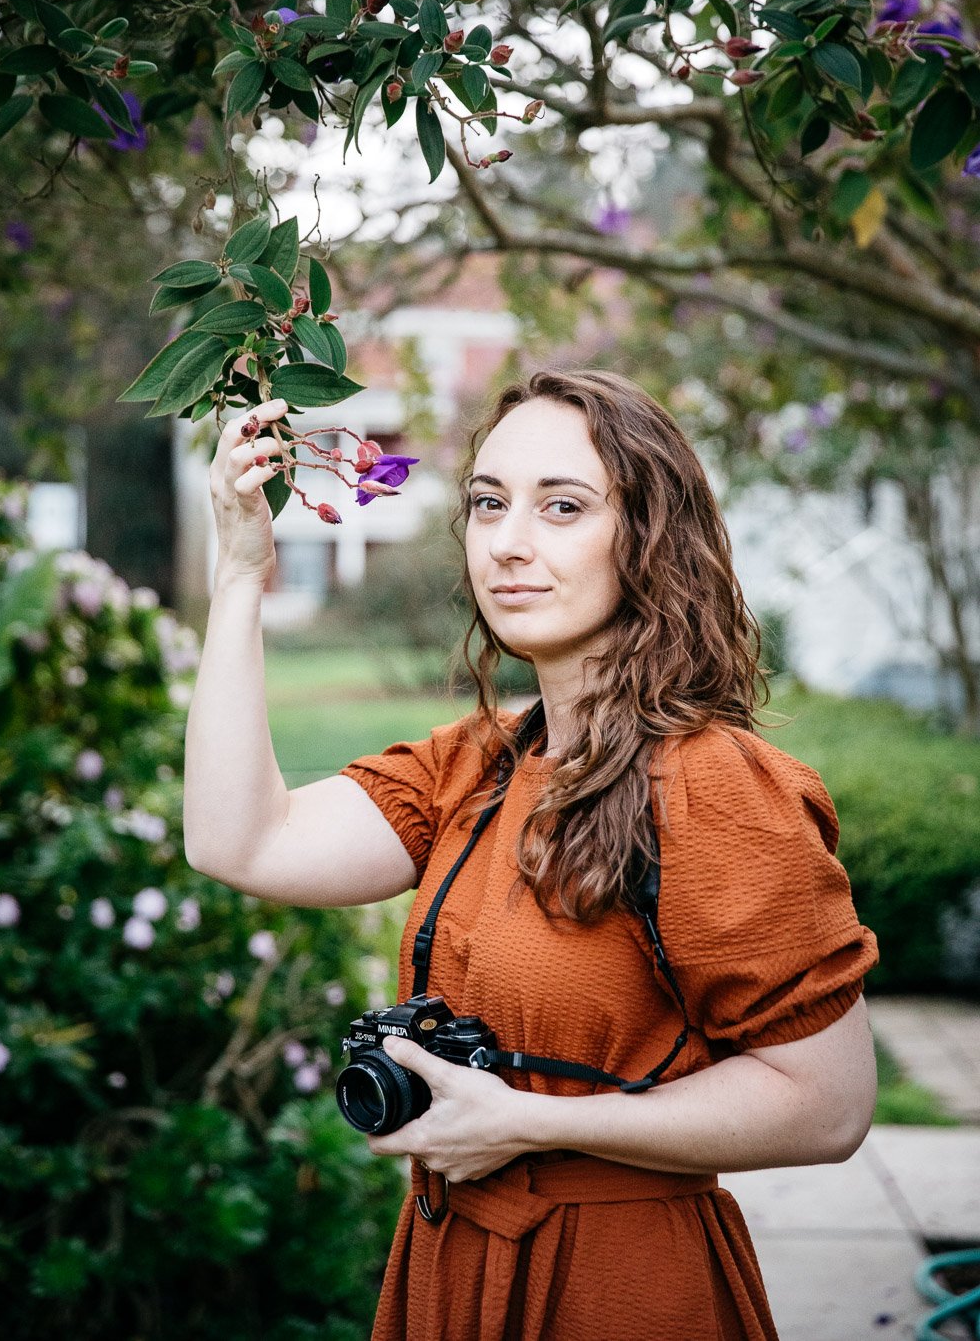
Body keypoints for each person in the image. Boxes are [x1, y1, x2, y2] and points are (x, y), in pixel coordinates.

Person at [185, 368, 879, 1341]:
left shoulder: (715, 787)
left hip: (617, 1287)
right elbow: (237, 839)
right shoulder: (474, 764)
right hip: (450, 1269)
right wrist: (236, 572)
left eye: (562, 506)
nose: (508, 543)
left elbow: (827, 1106)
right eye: (487, 503)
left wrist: (534, 1122)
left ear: (649, 536)